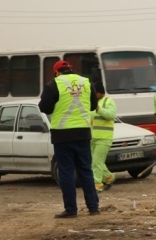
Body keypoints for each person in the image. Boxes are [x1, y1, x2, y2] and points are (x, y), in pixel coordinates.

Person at [39, 60, 100, 218]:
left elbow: (44, 107)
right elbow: (93, 105)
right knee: (86, 170)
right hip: (83, 132)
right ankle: (93, 208)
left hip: (62, 134)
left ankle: (71, 209)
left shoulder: (54, 84)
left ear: (56, 72)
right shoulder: (86, 82)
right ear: (71, 70)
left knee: (66, 172)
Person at [91, 82, 117, 193]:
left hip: (104, 138)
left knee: (96, 162)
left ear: (100, 93)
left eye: (95, 93)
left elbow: (111, 115)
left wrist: (98, 108)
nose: (93, 95)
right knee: (96, 161)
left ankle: (97, 185)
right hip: (92, 137)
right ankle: (108, 177)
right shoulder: (90, 103)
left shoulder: (108, 102)